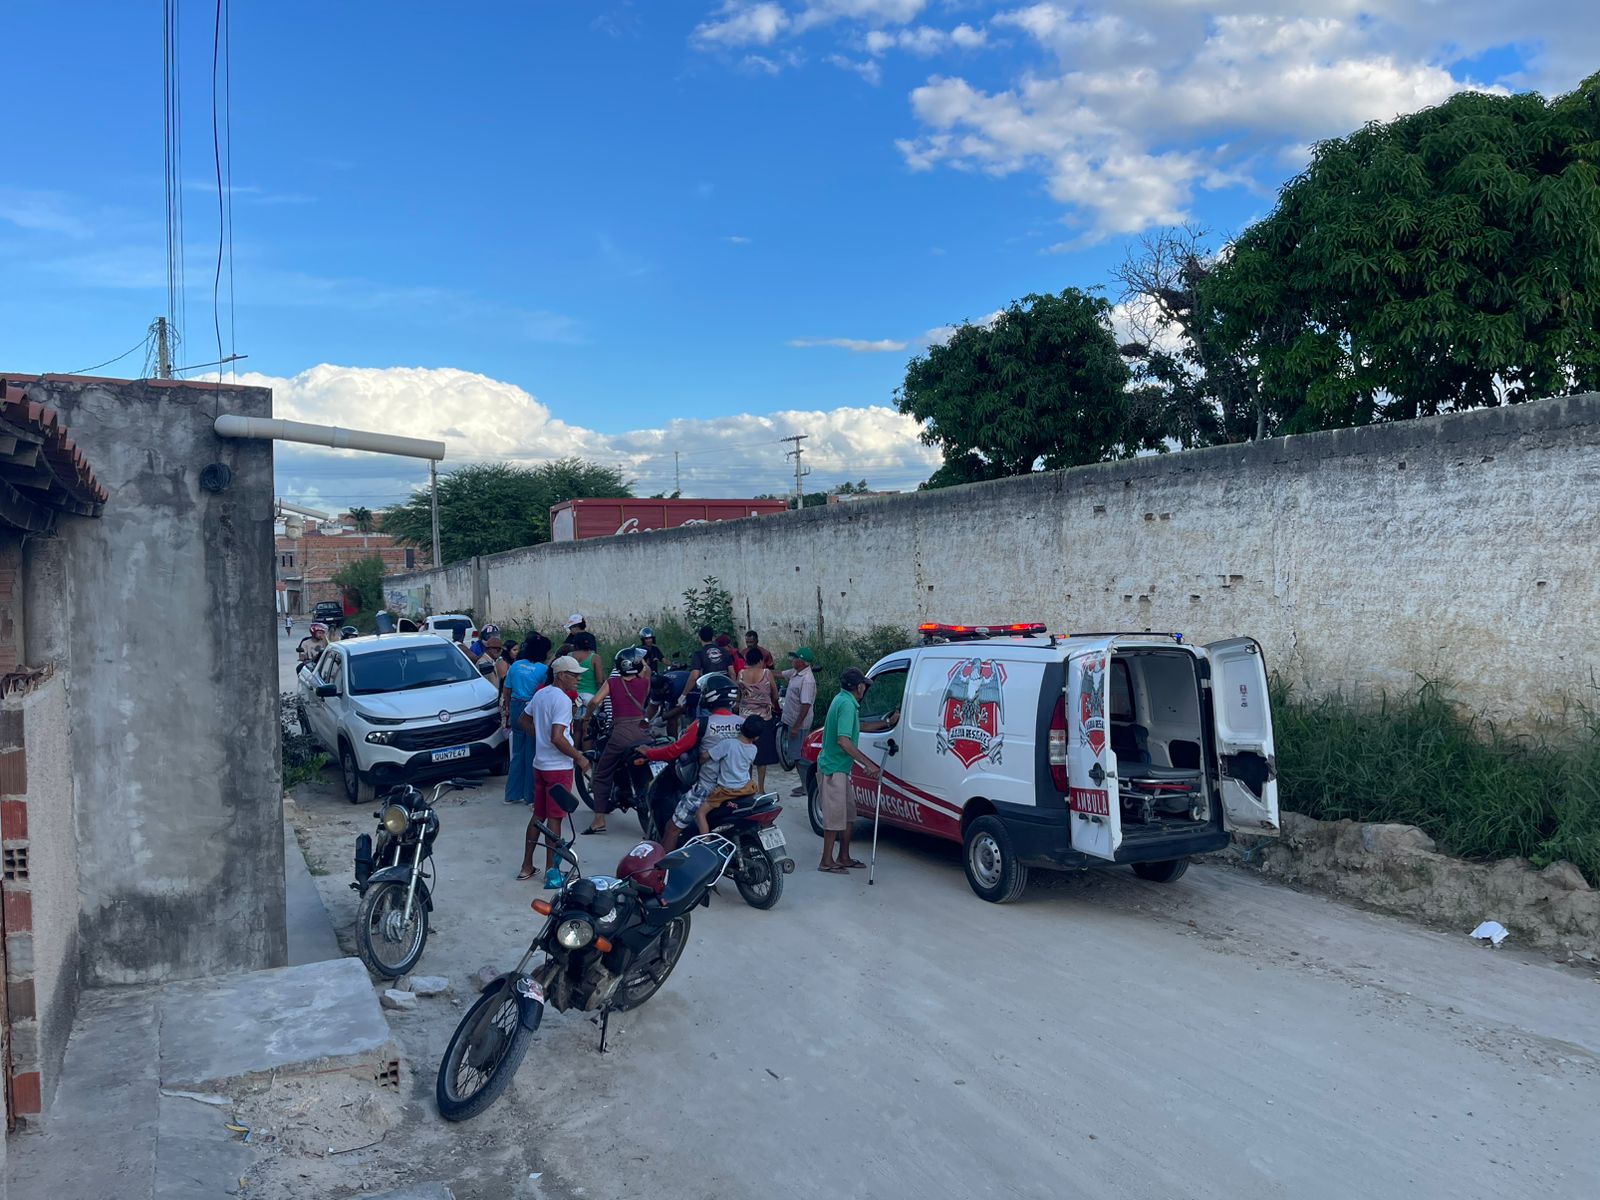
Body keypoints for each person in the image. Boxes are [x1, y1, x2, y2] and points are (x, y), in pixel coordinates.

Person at [639, 672, 744, 844]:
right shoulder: (742, 722)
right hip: (741, 785)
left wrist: (649, 752)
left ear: (709, 697)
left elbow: (675, 751)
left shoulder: (702, 724)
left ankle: (664, 870)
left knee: (672, 828)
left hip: (709, 788)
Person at [517, 655, 589, 887]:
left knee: (539, 815)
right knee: (555, 820)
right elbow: (558, 738)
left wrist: (541, 737)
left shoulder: (541, 694)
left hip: (540, 765)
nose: (578, 678)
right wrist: (578, 756)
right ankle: (552, 872)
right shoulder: (562, 701)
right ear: (560, 676)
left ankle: (526, 865)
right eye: (574, 674)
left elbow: (522, 721)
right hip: (558, 768)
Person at [816, 667, 894, 874]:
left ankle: (843, 856)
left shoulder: (843, 700)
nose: (865, 689)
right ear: (859, 686)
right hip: (833, 768)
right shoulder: (847, 705)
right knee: (834, 818)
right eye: (864, 686)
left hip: (840, 768)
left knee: (849, 815)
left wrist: (885, 723)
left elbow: (856, 728)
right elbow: (843, 740)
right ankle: (826, 860)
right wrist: (868, 764)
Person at [581, 647, 654, 834]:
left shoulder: (613, 683)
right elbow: (646, 669)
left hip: (621, 733)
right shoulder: (644, 682)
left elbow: (595, 702)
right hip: (644, 732)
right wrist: (641, 660)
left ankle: (598, 820)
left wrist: (587, 717)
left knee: (601, 774)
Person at [663, 716, 763, 850]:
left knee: (700, 814)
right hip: (746, 788)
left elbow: (705, 756)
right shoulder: (753, 749)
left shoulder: (728, 744)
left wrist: (699, 763)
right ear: (756, 737)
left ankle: (707, 845)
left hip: (726, 790)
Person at [502, 635, 551, 806]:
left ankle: (511, 794)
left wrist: (508, 709)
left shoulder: (515, 665)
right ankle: (530, 796)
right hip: (531, 709)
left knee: (517, 753)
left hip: (515, 707)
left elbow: (506, 690)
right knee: (532, 753)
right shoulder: (543, 670)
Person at [737, 646, 781, 792]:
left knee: (746, 753)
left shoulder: (741, 674)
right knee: (761, 757)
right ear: (761, 660)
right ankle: (761, 788)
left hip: (745, 719)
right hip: (763, 719)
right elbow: (775, 695)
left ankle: (748, 785)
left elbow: (739, 696)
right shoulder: (767, 673)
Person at [779, 648, 817, 796]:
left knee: (799, 757)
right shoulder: (796, 673)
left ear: (801, 662)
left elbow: (806, 705)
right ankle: (804, 785)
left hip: (799, 724)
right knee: (796, 755)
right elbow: (780, 674)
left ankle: (806, 787)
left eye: (794, 658)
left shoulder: (807, 680)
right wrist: (760, 672)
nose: (792, 660)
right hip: (792, 721)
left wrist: (796, 726)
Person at [680, 626, 734, 710]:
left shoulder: (699, 654)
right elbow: (732, 672)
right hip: (725, 691)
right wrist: (733, 687)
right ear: (713, 638)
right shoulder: (724, 652)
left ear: (699, 638)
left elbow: (694, 676)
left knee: (703, 714)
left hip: (710, 691)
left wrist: (683, 694)